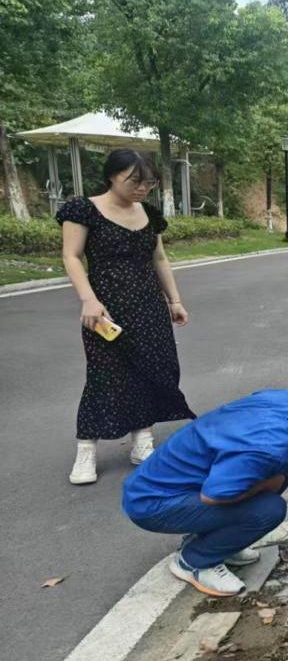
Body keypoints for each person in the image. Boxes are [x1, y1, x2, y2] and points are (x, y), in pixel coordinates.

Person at [121, 384, 288, 597]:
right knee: (269, 509)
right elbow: (212, 496)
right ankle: (195, 561)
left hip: (162, 483)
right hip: (153, 503)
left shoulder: (284, 405)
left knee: (286, 470)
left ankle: (218, 542)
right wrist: (266, 486)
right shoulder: (267, 450)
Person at [58, 149, 195, 485]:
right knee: (104, 375)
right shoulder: (83, 209)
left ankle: (142, 440)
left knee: (151, 370)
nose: (142, 188)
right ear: (111, 176)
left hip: (149, 307)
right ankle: (86, 449)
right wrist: (88, 300)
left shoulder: (149, 213)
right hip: (105, 310)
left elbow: (159, 258)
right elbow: (72, 256)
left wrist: (175, 300)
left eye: (149, 182)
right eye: (135, 181)